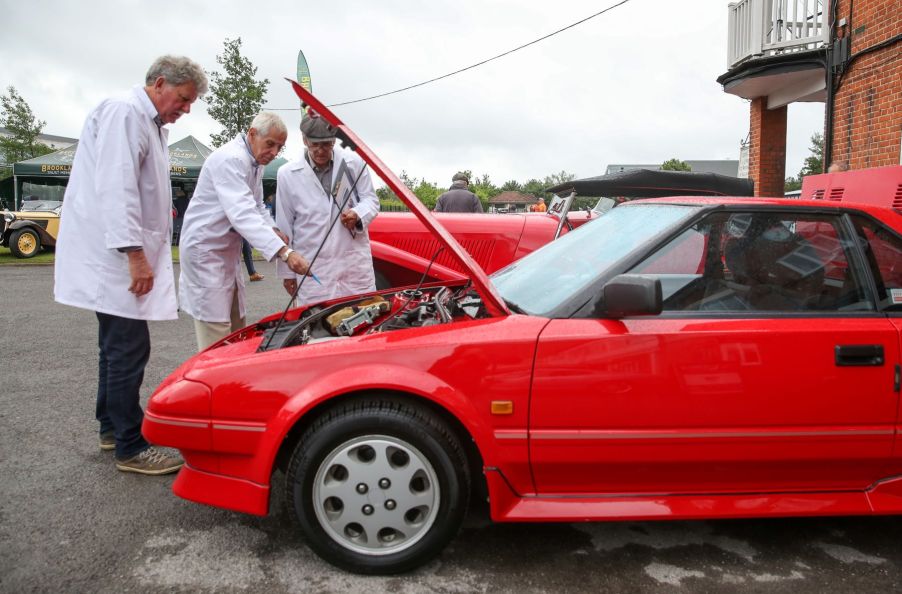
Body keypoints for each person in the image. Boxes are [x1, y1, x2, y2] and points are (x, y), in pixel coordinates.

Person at [54, 55, 207, 475]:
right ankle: (130, 445)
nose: (186, 108)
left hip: (118, 257)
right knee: (128, 348)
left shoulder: (148, 122)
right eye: (183, 98)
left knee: (114, 347)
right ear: (160, 83)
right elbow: (117, 186)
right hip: (118, 259)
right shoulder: (125, 112)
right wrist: (135, 255)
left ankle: (110, 427)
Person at [179, 112, 310, 351]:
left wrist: (272, 229)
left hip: (225, 253)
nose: (274, 152)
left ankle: (231, 377)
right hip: (205, 253)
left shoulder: (254, 162)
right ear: (252, 134)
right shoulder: (231, 159)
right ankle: (213, 382)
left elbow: (258, 206)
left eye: (279, 147)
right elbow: (242, 213)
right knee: (216, 335)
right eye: (270, 144)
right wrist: (286, 252)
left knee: (237, 327)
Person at [276, 112, 380, 304]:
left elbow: (371, 201)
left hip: (353, 265)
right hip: (314, 267)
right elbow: (284, 224)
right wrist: (287, 273)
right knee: (318, 327)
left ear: (334, 141)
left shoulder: (354, 163)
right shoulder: (287, 174)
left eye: (326, 144)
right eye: (315, 144)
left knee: (363, 322)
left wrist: (357, 214)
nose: (320, 151)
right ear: (304, 140)